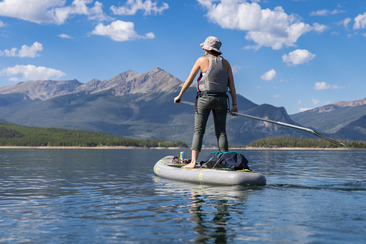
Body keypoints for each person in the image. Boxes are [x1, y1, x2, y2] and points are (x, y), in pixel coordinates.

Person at [174, 36, 238, 169]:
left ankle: (192, 163)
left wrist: (179, 96)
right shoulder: (226, 63)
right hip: (222, 100)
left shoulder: (201, 60)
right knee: (221, 132)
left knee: (198, 131)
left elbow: (189, 80)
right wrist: (234, 105)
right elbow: (232, 86)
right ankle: (225, 161)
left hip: (204, 98)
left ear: (207, 49)